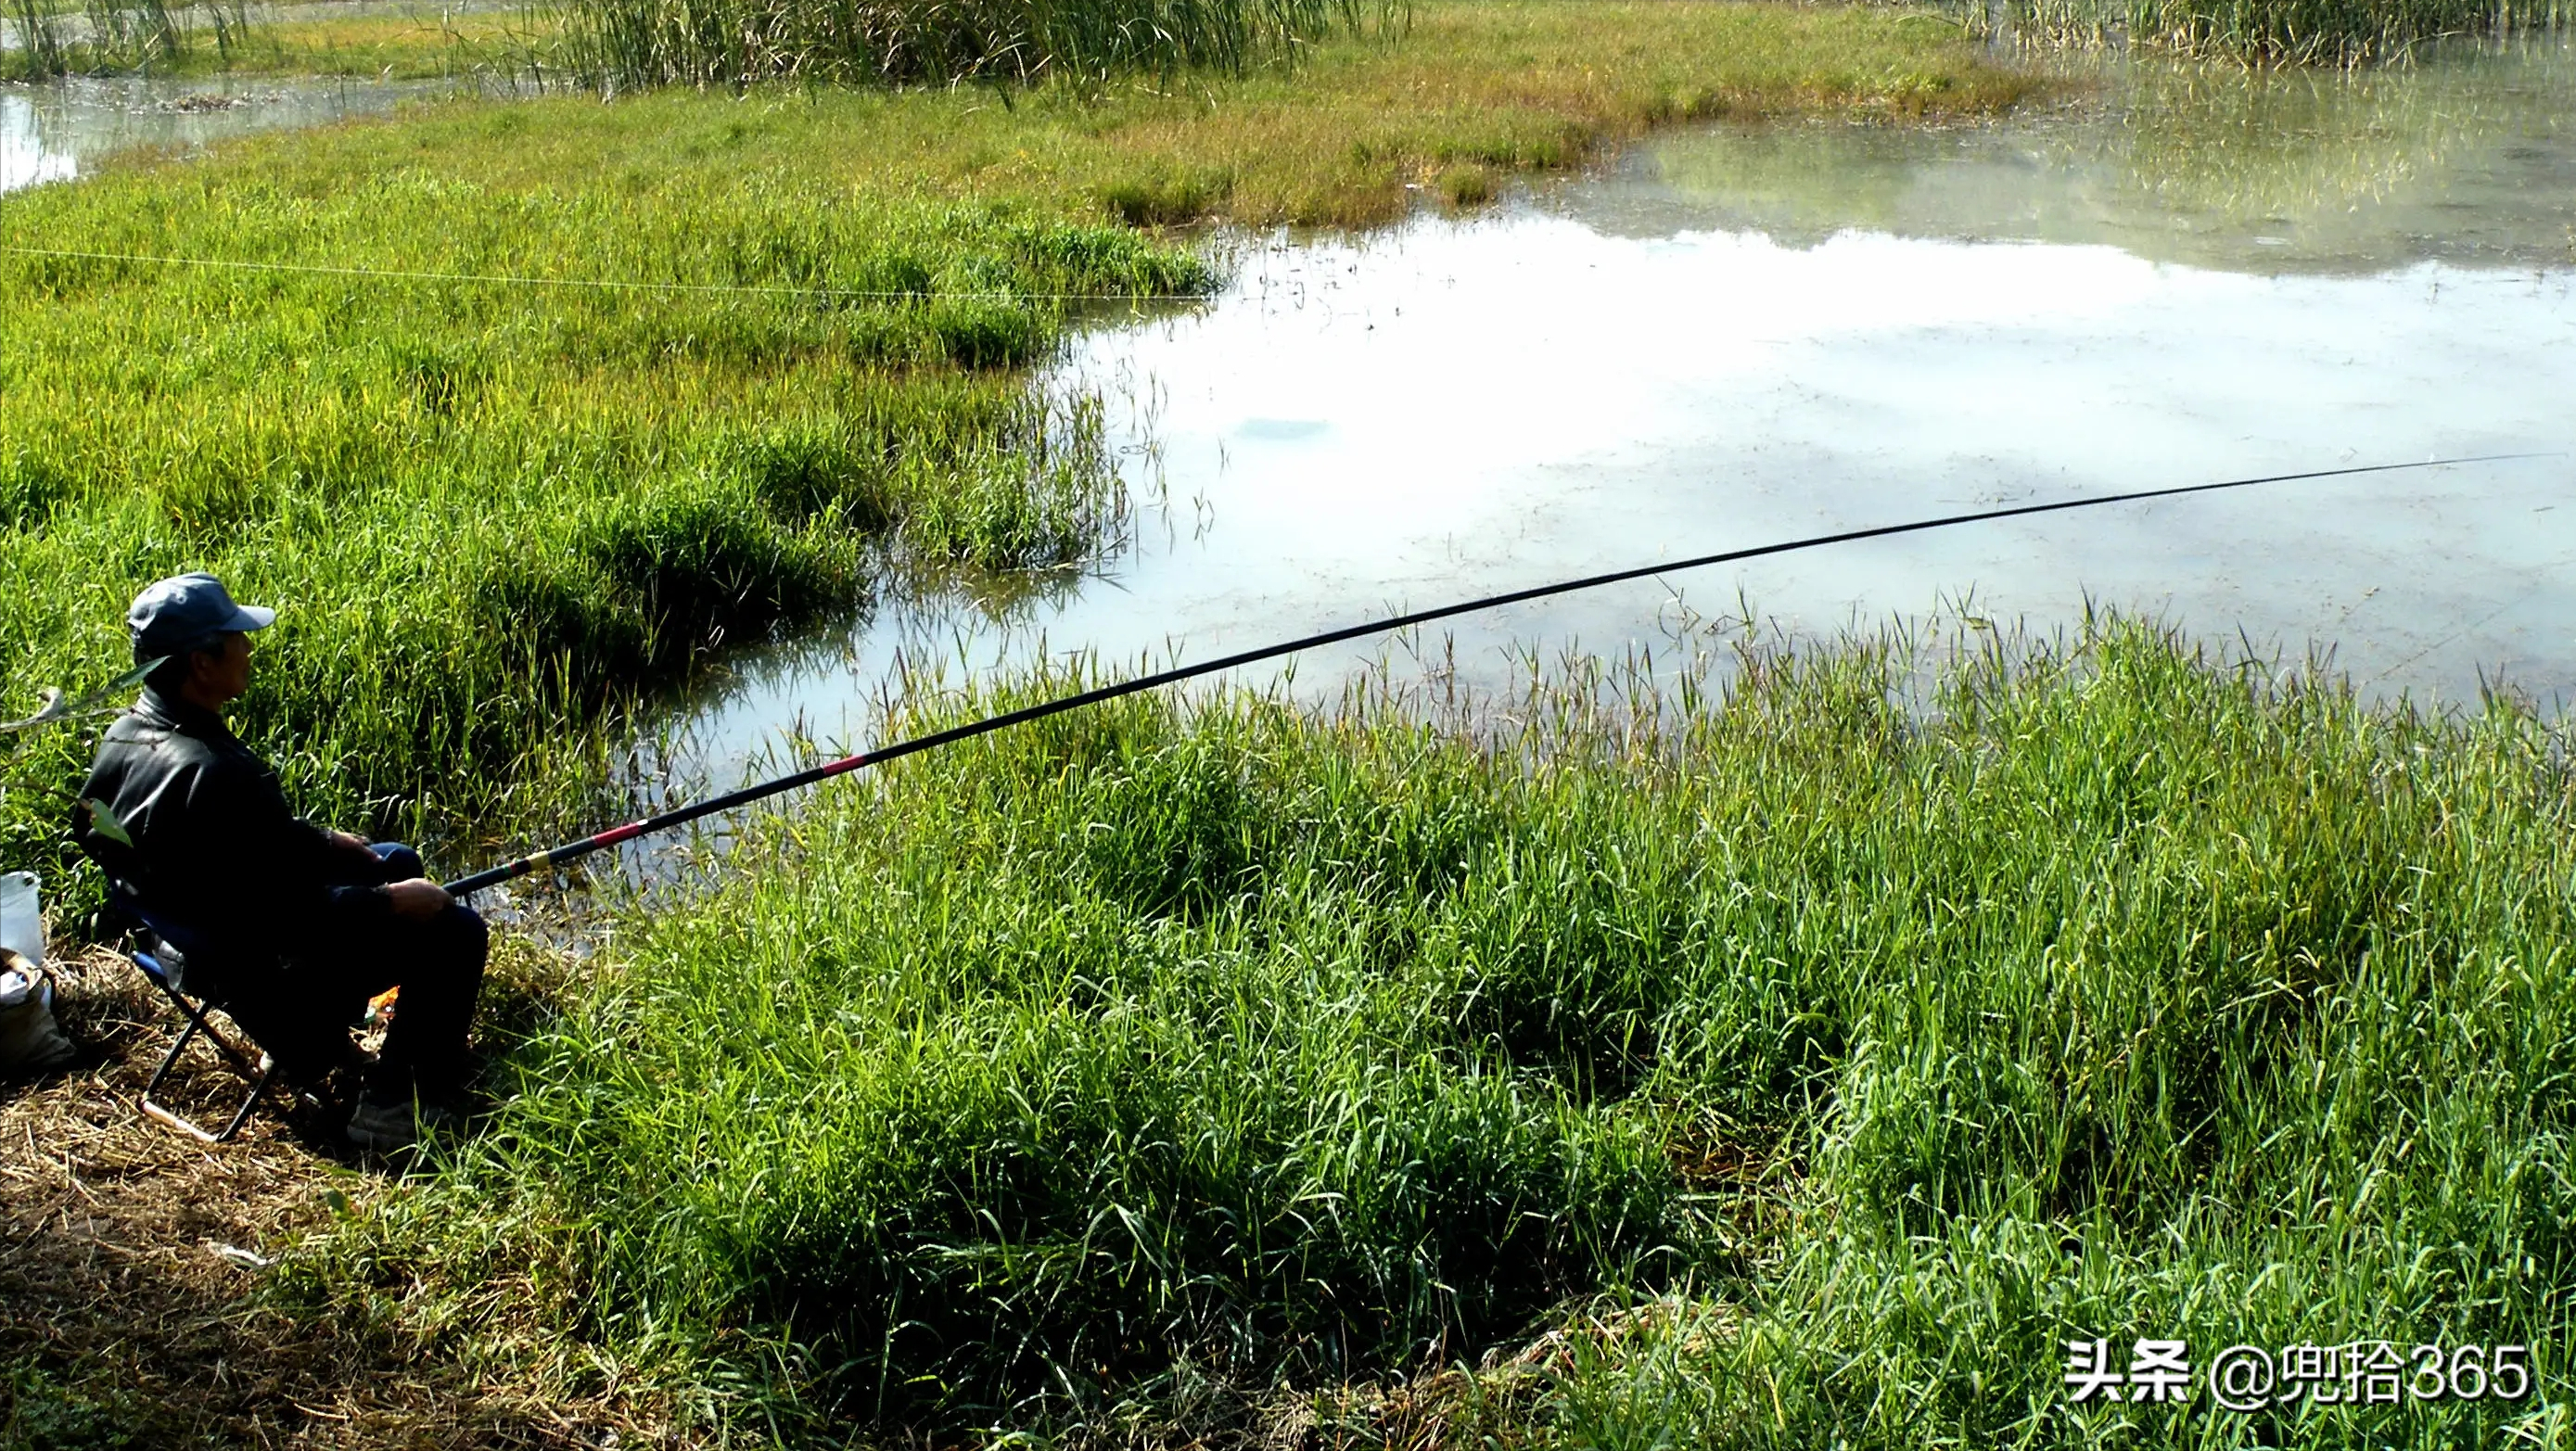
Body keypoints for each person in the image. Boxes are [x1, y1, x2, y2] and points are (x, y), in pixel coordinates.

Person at [70, 573, 487, 1151]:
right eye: (236, 637)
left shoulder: (126, 737)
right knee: (456, 930)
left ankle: (327, 1036)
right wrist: (392, 902)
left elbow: (214, 843)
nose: (248, 647)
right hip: (263, 968)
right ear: (201, 662)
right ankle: (392, 1106)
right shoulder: (218, 771)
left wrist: (321, 841)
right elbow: (294, 918)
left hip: (189, 944)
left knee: (394, 858)